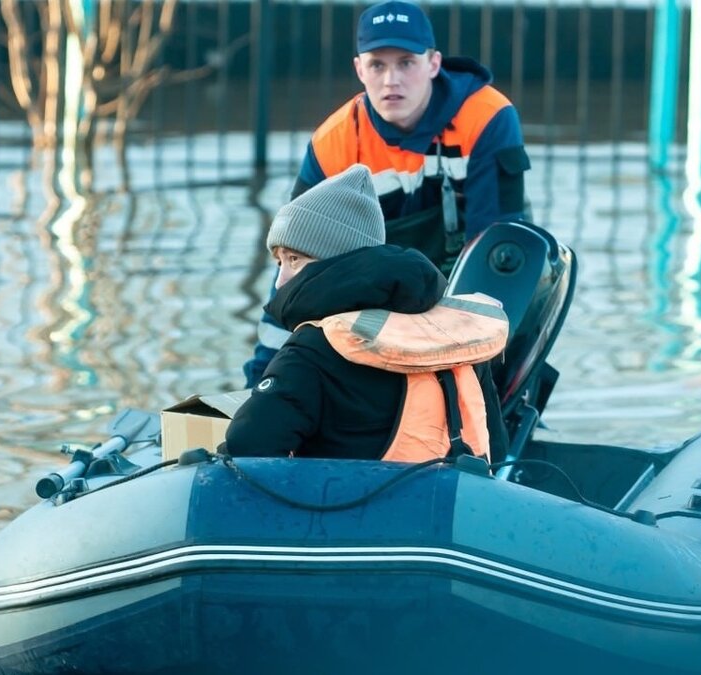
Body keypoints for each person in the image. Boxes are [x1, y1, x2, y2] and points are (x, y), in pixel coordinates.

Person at [243, 0, 530, 386]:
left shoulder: (488, 116)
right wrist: (260, 382)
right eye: (378, 65)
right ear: (360, 69)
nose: (391, 80)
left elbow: (495, 251)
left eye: (406, 63)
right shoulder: (334, 141)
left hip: (469, 277)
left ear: (433, 64)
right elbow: (297, 266)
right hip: (380, 288)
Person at [223, 164, 509, 462]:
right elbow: (497, 450)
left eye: (293, 259)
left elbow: (246, 448)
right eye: (279, 262)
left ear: (335, 261)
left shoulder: (313, 349)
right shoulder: (459, 339)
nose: (281, 281)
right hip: (457, 503)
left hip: (354, 506)